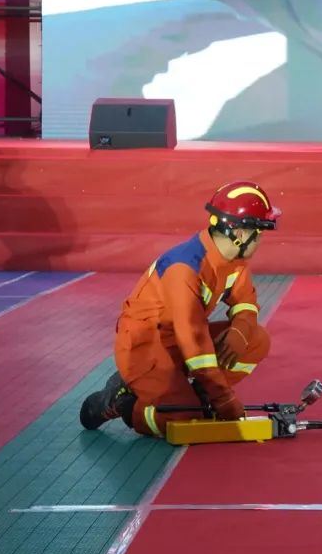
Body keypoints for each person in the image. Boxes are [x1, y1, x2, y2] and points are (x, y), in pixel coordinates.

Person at [79, 181, 280, 438]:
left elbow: (246, 302)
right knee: (184, 419)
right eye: (260, 231)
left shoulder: (233, 260)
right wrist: (224, 398)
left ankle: (196, 398)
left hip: (180, 339)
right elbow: (194, 344)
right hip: (145, 347)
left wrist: (240, 331)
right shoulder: (184, 268)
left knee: (257, 340)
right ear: (240, 233)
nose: (261, 239)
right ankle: (124, 405)